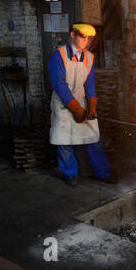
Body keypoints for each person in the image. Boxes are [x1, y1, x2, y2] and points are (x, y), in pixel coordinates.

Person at [48, 23, 117, 186]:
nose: (85, 41)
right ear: (72, 35)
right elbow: (59, 84)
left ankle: (103, 173)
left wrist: (91, 107)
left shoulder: (89, 57)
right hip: (63, 103)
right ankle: (70, 174)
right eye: (82, 36)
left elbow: (90, 84)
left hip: (82, 99)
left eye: (88, 38)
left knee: (93, 138)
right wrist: (75, 109)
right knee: (64, 140)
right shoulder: (59, 55)